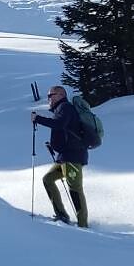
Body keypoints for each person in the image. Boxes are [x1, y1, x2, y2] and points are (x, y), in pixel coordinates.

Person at [31, 85, 89, 227]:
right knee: (48, 179)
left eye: (51, 95)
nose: (49, 98)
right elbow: (63, 128)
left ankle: (83, 224)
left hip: (72, 156)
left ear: (60, 95)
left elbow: (59, 124)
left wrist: (38, 119)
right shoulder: (61, 109)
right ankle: (61, 215)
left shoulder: (65, 107)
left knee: (75, 189)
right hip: (65, 156)